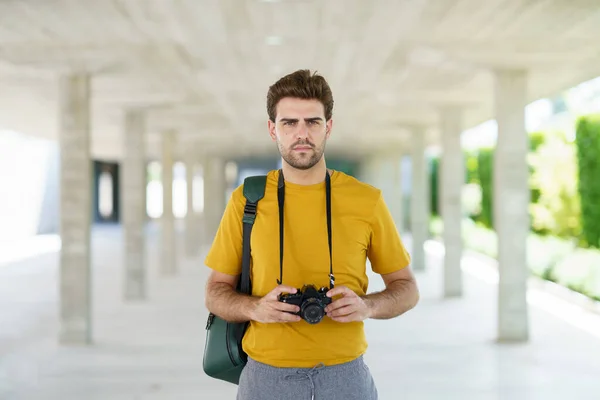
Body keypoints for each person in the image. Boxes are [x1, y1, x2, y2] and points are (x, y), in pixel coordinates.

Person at [204, 69, 419, 400]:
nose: (301, 133)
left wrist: (366, 306)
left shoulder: (366, 200)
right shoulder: (247, 200)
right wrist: (255, 308)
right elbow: (215, 293)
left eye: (312, 122)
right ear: (272, 129)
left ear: (328, 127)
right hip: (265, 376)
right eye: (289, 123)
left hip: (346, 376)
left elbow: (407, 289)